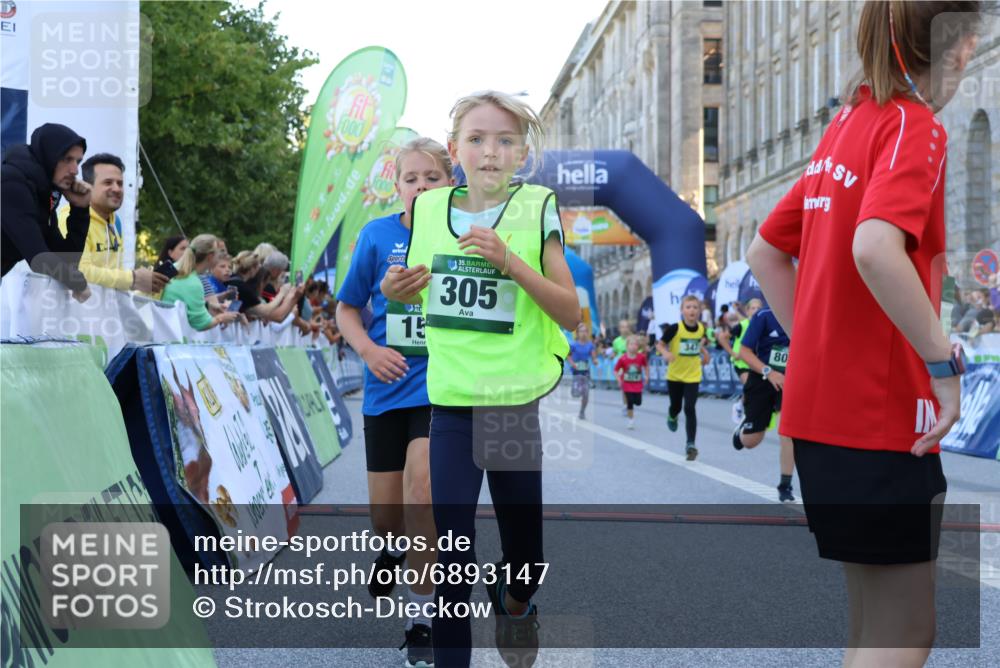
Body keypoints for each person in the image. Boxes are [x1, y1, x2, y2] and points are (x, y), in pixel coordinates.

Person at [748, 3, 980, 665]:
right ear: (959, 47)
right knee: (906, 632)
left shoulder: (847, 125)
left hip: (823, 421)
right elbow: (876, 248)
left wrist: (823, 348)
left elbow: (767, 251)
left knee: (871, 630)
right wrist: (943, 366)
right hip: (883, 422)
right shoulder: (914, 127)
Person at [382, 90, 578, 668]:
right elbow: (406, 300)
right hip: (453, 404)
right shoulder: (427, 209)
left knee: (526, 559)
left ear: (522, 153)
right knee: (452, 559)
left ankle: (514, 601)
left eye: (504, 140)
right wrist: (396, 292)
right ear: (455, 149)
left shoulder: (538, 205)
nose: (489, 151)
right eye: (476, 138)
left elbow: (570, 312)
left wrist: (510, 263)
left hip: (511, 405)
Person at [336, 137, 452, 667]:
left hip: (442, 389)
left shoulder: (468, 238)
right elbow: (347, 309)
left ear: (451, 182)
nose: (422, 187)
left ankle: (421, 621)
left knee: (422, 490)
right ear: (397, 186)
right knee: (388, 518)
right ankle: (391, 547)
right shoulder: (377, 235)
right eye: (412, 179)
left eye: (432, 178)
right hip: (386, 391)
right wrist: (370, 349)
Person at [1, 123, 91, 301]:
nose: (75, 170)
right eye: (67, 159)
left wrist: (80, 209)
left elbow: (66, 260)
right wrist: (78, 282)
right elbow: (39, 258)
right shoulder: (12, 183)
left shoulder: (42, 192)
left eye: (78, 161)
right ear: (49, 156)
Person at [56, 153, 168, 293]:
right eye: (108, 182)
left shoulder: (115, 222)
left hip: (102, 312)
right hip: (71, 312)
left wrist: (142, 282)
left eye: (120, 183)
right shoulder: (69, 219)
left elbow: (113, 274)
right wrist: (133, 279)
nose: (116, 189)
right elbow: (79, 271)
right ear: (88, 186)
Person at [731, 307, 796, 502]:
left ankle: (785, 485)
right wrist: (769, 372)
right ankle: (741, 430)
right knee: (751, 442)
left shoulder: (806, 312)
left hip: (791, 381)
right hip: (762, 378)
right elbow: (743, 351)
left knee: (788, 432)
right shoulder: (764, 315)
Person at [657, 295, 711, 460]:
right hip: (674, 375)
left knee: (690, 408)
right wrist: (665, 352)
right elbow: (659, 344)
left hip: (693, 375)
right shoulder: (675, 328)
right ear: (682, 311)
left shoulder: (702, 328)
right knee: (676, 406)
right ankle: (672, 415)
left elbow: (700, 343)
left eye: (695, 307)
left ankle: (690, 444)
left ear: (699, 311)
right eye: (688, 307)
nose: (692, 310)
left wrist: (705, 354)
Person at [161, 234, 239, 331]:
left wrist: (208, 306)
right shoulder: (194, 283)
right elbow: (201, 324)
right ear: (210, 256)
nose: (220, 256)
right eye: (218, 253)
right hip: (170, 337)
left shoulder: (172, 268)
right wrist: (222, 318)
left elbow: (183, 302)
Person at [226, 250, 300, 322]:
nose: (260, 269)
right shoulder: (242, 287)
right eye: (258, 266)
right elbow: (267, 311)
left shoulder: (233, 281)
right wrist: (283, 293)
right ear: (253, 268)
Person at [614, 335, 648, 430]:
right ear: (627, 346)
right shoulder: (623, 358)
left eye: (635, 344)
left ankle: (630, 410)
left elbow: (646, 366)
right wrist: (619, 380)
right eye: (631, 344)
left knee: (638, 402)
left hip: (637, 384)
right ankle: (630, 420)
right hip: (627, 385)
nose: (633, 346)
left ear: (638, 346)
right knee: (630, 402)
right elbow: (616, 370)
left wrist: (647, 376)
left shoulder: (641, 357)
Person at [569, 323, 599, 420]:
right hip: (576, 372)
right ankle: (576, 391)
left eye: (586, 331)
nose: (584, 333)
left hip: (585, 372)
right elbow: (567, 355)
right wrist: (572, 363)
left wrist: (595, 361)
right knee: (576, 394)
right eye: (581, 331)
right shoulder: (573, 345)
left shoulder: (590, 345)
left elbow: (593, 356)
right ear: (577, 333)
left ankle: (582, 411)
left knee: (586, 394)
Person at [612, 319, 633, 414]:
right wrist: (612, 355)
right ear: (619, 329)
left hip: (632, 367)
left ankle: (630, 402)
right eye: (623, 327)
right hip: (621, 367)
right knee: (624, 387)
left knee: (632, 388)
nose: (625, 329)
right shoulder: (616, 341)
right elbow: (615, 352)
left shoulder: (633, 339)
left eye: (626, 327)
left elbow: (639, 351)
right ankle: (626, 405)